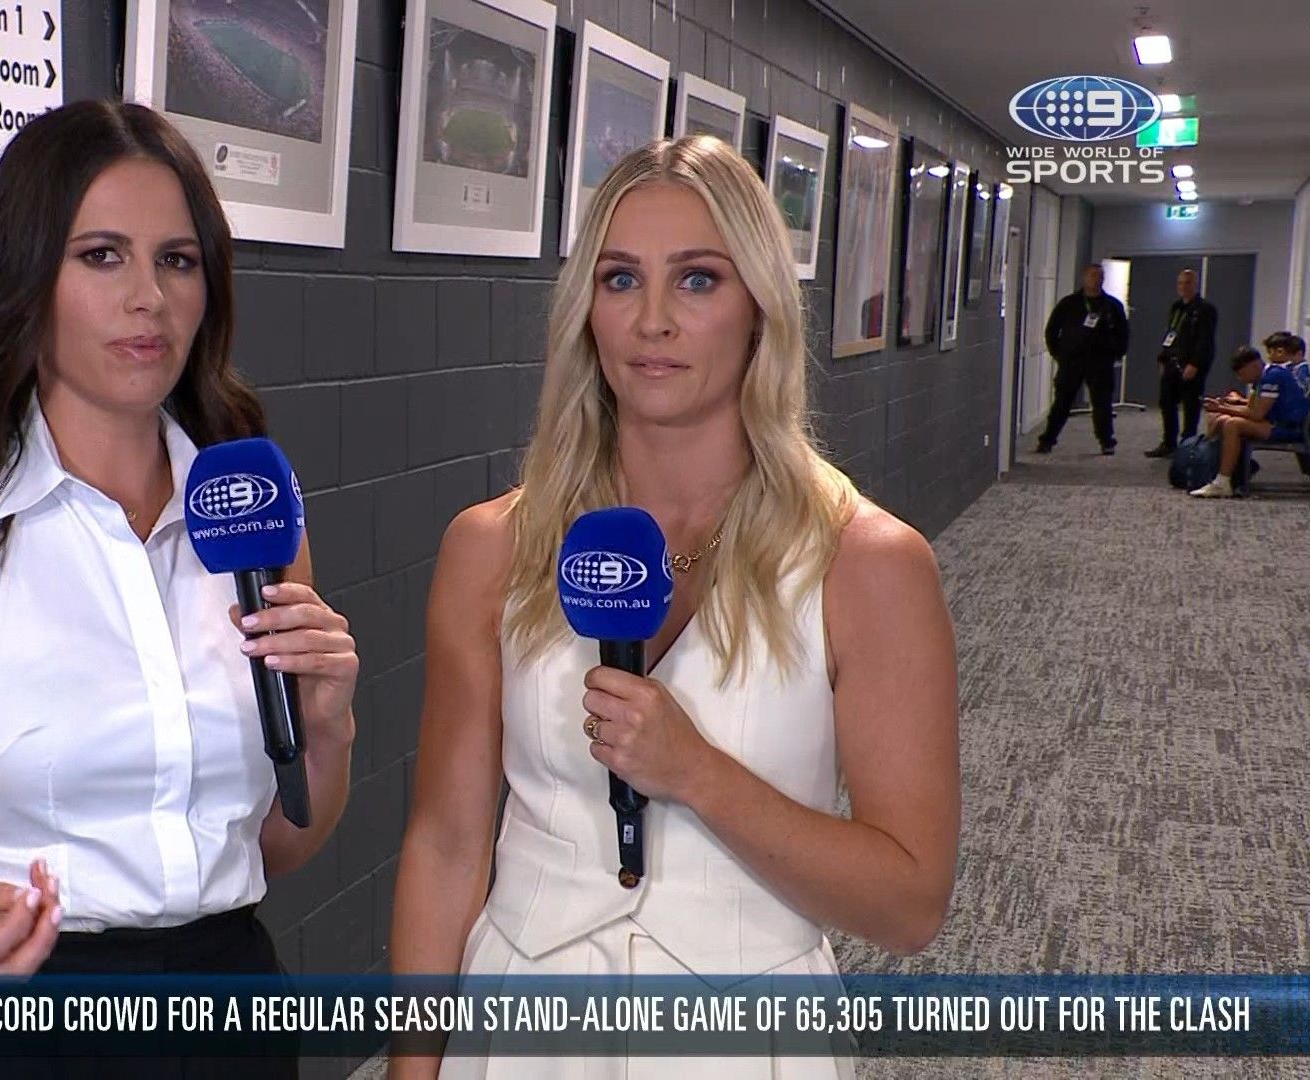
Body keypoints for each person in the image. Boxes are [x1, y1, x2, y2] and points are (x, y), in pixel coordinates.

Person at [0, 101, 359, 1079]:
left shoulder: (256, 525)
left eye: (177, 260)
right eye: (102, 256)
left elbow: (277, 846)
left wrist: (328, 729)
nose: (149, 297)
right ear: (28, 279)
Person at [389, 135, 960, 1080]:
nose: (652, 320)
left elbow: (909, 904)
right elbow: (447, 846)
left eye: (697, 280)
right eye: (620, 280)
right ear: (586, 311)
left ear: (758, 308)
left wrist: (699, 774)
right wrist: (414, 1070)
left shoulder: (867, 564)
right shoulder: (492, 547)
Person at [1190, 344, 1310, 498]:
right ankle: (1222, 473)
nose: (1240, 379)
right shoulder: (1263, 377)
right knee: (1224, 419)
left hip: (1290, 428)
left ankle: (1222, 482)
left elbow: (1256, 414)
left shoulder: (1273, 376)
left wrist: (1222, 408)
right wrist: (1225, 406)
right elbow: (1252, 407)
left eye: (1241, 374)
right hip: (1275, 422)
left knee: (1233, 424)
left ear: (1254, 366)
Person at [1036, 263, 1129, 455]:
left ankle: (1106, 441)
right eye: (1092, 275)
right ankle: (1047, 440)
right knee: (1062, 402)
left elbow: (1123, 334)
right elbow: (1052, 331)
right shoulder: (1068, 304)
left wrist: (1116, 353)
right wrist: (1059, 354)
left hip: (1100, 362)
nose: (1096, 279)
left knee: (1102, 404)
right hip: (1072, 361)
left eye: (1099, 276)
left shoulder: (1112, 306)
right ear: (1084, 278)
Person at [1145, 268, 1218, 457]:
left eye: (1187, 283)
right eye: (1180, 283)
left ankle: (1187, 444)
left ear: (1195, 285)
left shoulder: (1205, 309)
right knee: (1166, 402)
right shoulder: (1176, 308)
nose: (1183, 287)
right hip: (1172, 361)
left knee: (1190, 405)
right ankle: (1168, 443)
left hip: (1191, 364)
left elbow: (1205, 340)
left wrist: (1195, 363)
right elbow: (1171, 333)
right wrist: (1163, 357)